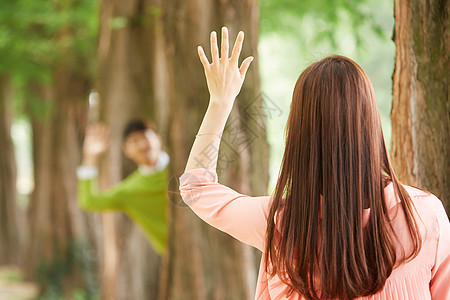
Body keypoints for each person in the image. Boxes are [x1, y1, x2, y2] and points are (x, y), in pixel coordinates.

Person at [178, 27, 450, 299]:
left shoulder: (282, 223)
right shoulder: (425, 216)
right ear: (370, 124)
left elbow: (195, 188)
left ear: (299, 135)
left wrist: (220, 102)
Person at [77, 120, 169, 254]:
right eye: (135, 140)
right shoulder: (130, 191)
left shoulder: (188, 167)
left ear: (158, 139)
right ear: (126, 150)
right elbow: (89, 201)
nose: (143, 144)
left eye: (146, 136)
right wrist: (91, 157)